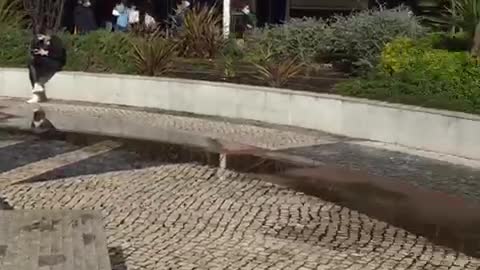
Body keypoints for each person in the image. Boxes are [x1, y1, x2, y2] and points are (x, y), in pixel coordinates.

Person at [27, 28, 67, 104]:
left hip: (55, 61)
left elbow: (59, 55)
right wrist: (37, 49)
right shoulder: (40, 41)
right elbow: (34, 50)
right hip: (43, 61)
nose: (40, 37)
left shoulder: (56, 41)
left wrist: (46, 53)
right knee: (31, 64)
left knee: (37, 64)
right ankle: (36, 87)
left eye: (41, 36)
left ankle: (38, 87)